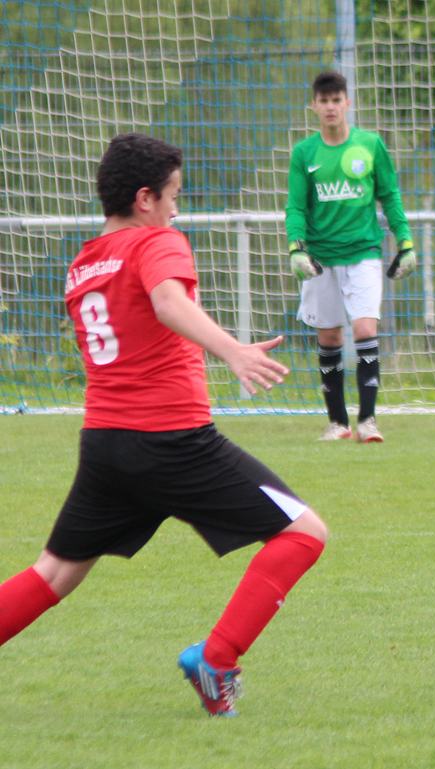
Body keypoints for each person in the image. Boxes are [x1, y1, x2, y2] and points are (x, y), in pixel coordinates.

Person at [0, 134, 328, 717]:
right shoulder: (157, 241)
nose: (179, 206)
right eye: (175, 193)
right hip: (169, 440)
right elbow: (167, 302)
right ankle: (218, 659)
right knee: (304, 534)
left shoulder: (82, 265)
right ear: (146, 197)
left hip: (105, 445)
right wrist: (232, 351)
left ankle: (217, 660)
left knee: (53, 573)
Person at [285, 70, 416, 443]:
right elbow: (296, 206)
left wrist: (405, 240)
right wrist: (296, 247)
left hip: (363, 253)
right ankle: (338, 423)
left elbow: (389, 196)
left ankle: (369, 421)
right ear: (314, 106)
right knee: (328, 337)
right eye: (323, 101)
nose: (330, 107)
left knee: (364, 329)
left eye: (336, 100)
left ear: (347, 103)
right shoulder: (304, 153)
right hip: (321, 257)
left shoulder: (370, 145)